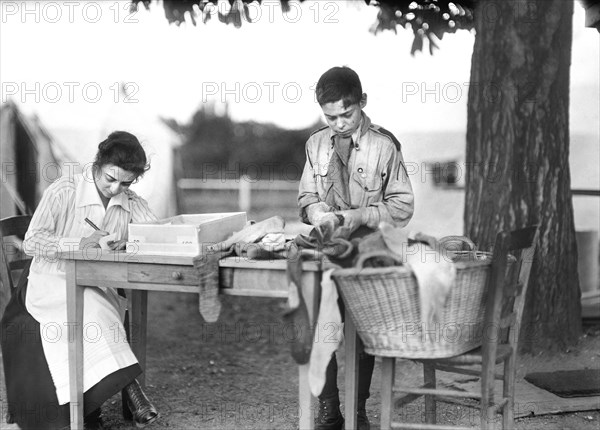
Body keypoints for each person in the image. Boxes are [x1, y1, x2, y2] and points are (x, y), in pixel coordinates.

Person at [1, 131, 160, 429]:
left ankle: (101, 403)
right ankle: (132, 390)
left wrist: (127, 244)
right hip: (51, 281)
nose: (115, 188)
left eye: (125, 182)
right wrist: (79, 244)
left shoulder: (129, 201)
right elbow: (33, 241)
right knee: (92, 307)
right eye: (110, 178)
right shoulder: (64, 190)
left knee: (97, 302)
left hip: (98, 281)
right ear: (98, 163)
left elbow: (155, 235)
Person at [298, 66, 414, 430]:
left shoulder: (384, 145)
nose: (339, 124)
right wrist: (317, 211)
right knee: (322, 328)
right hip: (326, 250)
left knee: (362, 333)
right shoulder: (316, 143)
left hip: (368, 249)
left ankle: (357, 410)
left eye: (346, 114)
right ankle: (330, 409)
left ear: (362, 102)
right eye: (330, 116)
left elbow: (402, 206)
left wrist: (360, 216)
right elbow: (306, 195)